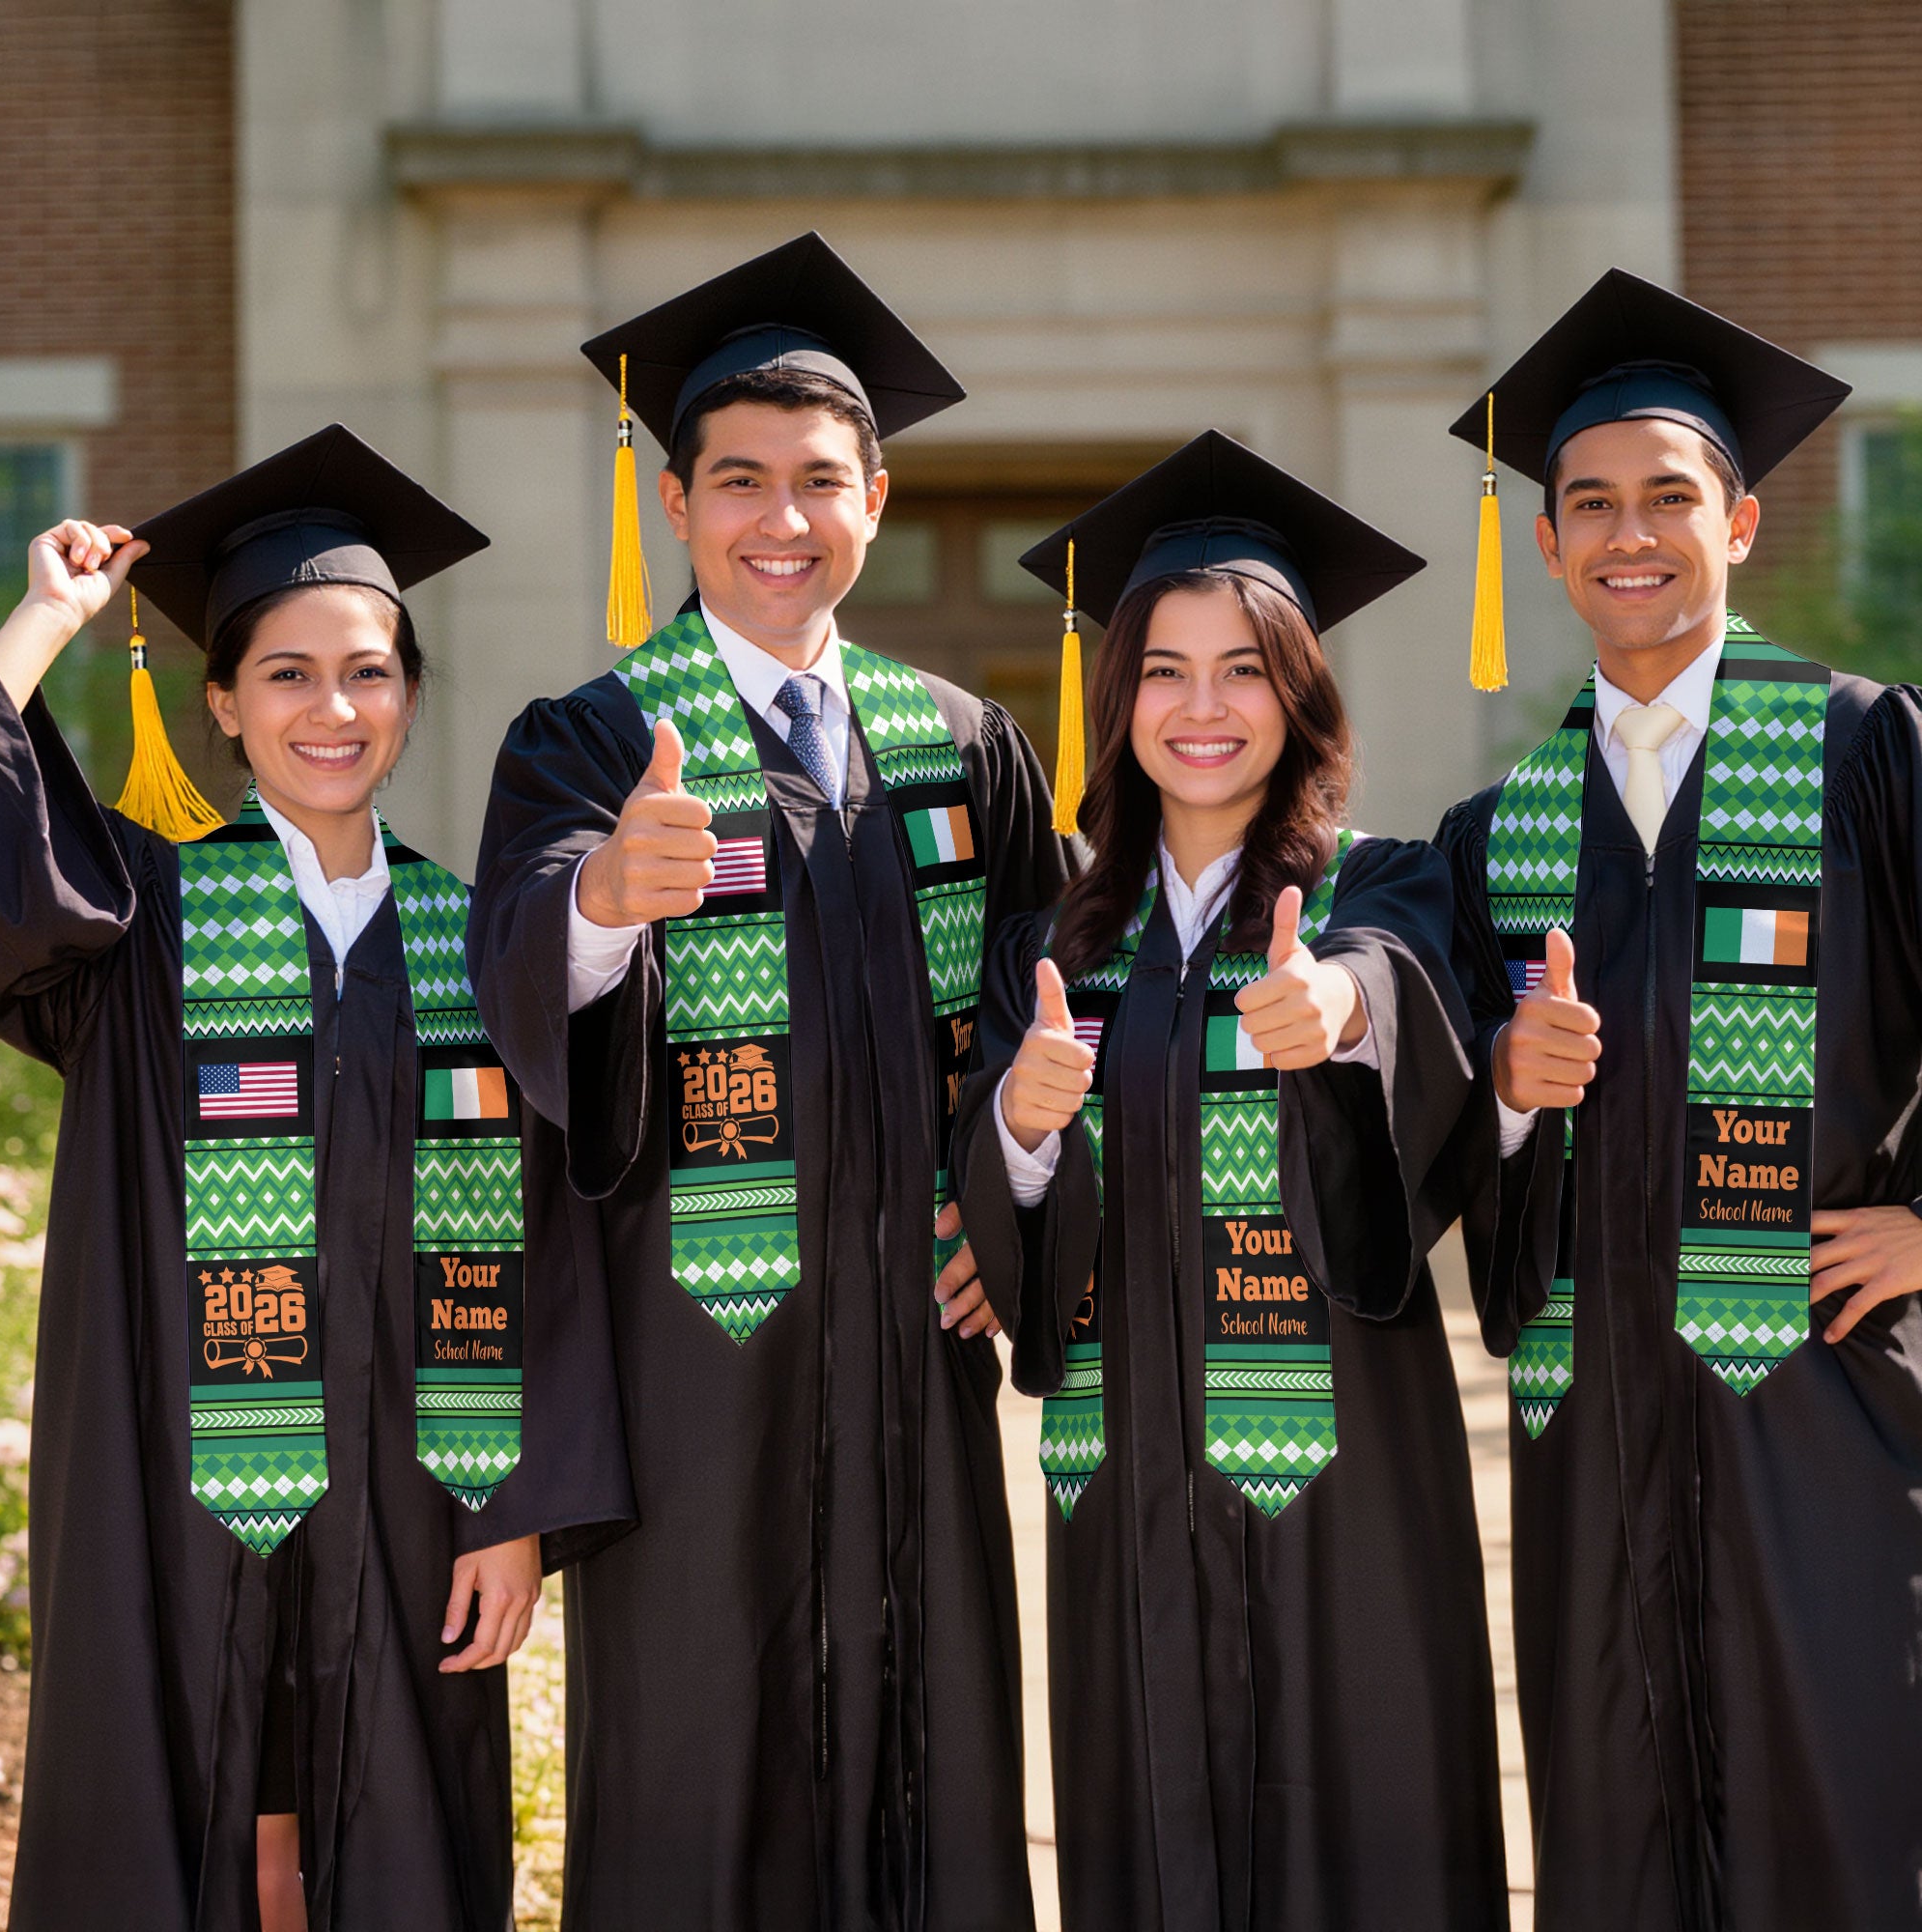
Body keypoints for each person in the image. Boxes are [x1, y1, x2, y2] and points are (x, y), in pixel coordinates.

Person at [469, 233, 1072, 1931]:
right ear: (676, 504)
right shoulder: (590, 738)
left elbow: (1062, 1008)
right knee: (700, 1771)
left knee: (932, 1752)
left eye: (821, 481)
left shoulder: (962, 740)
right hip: (698, 1365)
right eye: (739, 482)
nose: (781, 520)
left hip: (913, 1355)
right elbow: (516, 966)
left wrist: (1011, 1207)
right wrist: (600, 899)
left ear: (876, 497)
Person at [0, 425, 632, 1932]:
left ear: (410, 695)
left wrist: (518, 1507)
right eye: (285, 673)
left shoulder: (484, 943)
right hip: (174, 1484)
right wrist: (42, 624)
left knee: (398, 1839)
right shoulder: (137, 919)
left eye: (369, 671)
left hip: (420, 1495)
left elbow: (556, 1241)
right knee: (184, 1812)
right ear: (221, 701)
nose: (331, 708)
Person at [951, 432, 1508, 1930]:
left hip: (1344, 1476)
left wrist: (1339, 1014)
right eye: (1165, 670)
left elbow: (1406, 995)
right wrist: (1019, 1120)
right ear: (1117, 696)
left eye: (1246, 668)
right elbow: (1008, 1218)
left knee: (1366, 1827)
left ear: (1302, 692)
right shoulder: (1052, 947)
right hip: (1125, 1469)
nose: (1204, 708)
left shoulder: (1383, 886)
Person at [1436, 270, 1922, 1931]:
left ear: (1742, 520)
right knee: (1615, 1823)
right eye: (1589, 504)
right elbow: (1442, 1137)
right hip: (1596, 1423)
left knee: (1844, 1810)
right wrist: (1504, 1092)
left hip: (1825, 1401)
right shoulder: (1501, 830)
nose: (1627, 534)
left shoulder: (1866, 752)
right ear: (1552, 543)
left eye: (1668, 497)